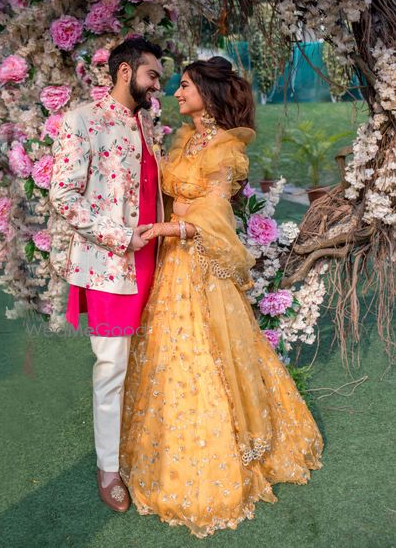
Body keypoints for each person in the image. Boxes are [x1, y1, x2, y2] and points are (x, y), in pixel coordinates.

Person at [119, 57, 324, 537]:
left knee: (211, 354)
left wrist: (172, 224)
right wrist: (169, 214)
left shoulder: (228, 149)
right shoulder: (183, 140)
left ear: (207, 96)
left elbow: (215, 212)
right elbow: (173, 192)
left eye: (184, 86)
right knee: (166, 357)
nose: (176, 93)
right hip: (171, 263)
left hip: (199, 264)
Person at [49, 36, 164, 513]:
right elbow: (64, 196)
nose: (159, 83)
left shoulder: (147, 124)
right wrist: (121, 237)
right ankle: (108, 468)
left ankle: (147, 448)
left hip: (158, 264)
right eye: (152, 74)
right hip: (111, 266)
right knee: (112, 368)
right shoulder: (82, 121)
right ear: (124, 72)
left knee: (152, 362)